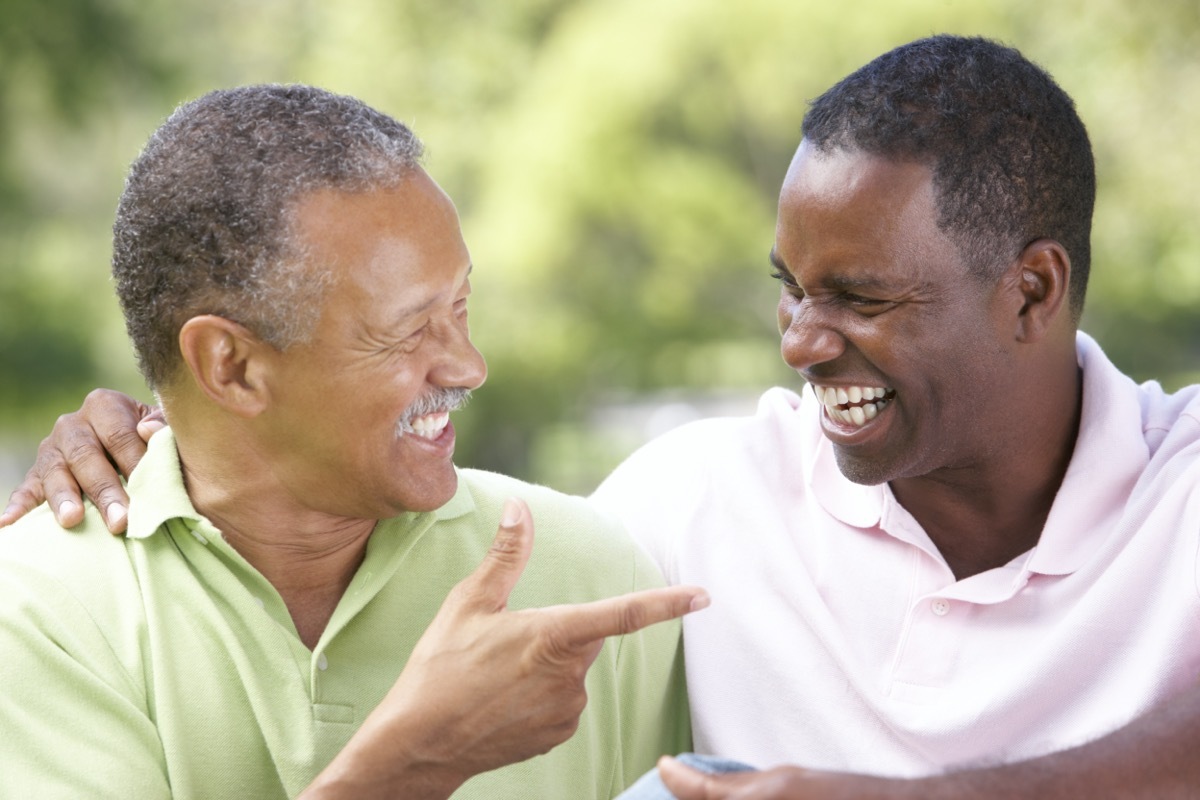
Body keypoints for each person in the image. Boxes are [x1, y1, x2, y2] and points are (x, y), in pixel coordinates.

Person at [7, 34, 1200, 799]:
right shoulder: (688, 515)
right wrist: (186, 434)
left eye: (862, 296)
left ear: (1031, 291)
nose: (799, 342)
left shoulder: (1184, 489)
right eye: (791, 291)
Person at [0, 84, 708, 799]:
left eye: (461, 306)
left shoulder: (590, 580)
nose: (469, 366)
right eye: (408, 330)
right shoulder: (37, 611)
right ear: (231, 367)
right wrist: (413, 762)